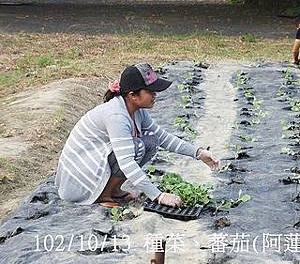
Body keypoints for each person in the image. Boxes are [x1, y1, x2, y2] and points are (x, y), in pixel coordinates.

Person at [55, 63, 220, 208]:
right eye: (150, 91)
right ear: (132, 95)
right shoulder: (116, 116)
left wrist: (198, 153)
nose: (155, 94)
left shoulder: (136, 111)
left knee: (150, 141)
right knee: (137, 146)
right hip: (79, 180)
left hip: (95, 164)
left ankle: (113, 190)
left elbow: (162, 138)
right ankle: (102, 195)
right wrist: (158, 195)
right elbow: (126, 162)